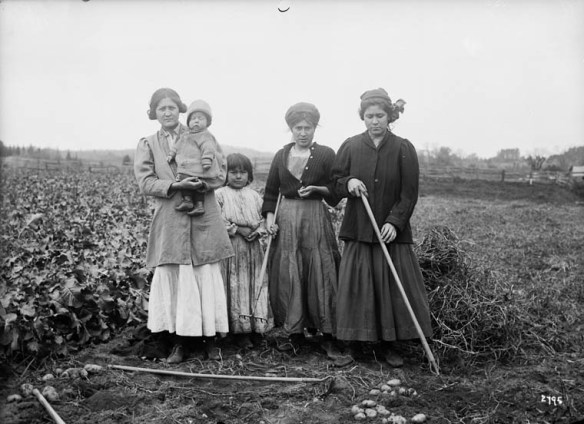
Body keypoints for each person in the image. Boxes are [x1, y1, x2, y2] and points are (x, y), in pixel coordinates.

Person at [331, 87, 432, 367]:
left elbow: (409, 193)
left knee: (393, 288)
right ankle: (354, 344)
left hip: (390, 234)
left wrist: (395, 222)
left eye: (380, 116)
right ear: (362, 117)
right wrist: (348, 182)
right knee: (356, 287)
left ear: (389, 117)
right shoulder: (351, 145)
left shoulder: (403, 148)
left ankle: (392, 345)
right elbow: (335, 183)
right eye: (369, 116)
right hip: (359, 229)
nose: (374, 121)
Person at [134, 88, 234, 363]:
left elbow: (221, 173)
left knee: (203, 273)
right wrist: (176, 185)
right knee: (177, 276)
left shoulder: (200, 134)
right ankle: (178, 341)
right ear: (154, 113)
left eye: (171, 107)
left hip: (203, 216)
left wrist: (202, 184)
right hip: (170, 216)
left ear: (180, 110)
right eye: (161, 108)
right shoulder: (148, 143)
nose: (166, 112)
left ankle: (210, 339)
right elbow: (145, 182)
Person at [262, 102, 348, 365]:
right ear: (291, 128)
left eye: (307, 127)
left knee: (320, 271)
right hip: (287, 219)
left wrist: (318, 190)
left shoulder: (325, 154)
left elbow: (336, 191)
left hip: (314, 218)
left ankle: (328, 334)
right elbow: (270, 192)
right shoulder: (281, 154)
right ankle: (294, 332)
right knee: (291, 272)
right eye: (298, 128)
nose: (302, 132)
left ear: (315, 127)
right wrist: (269, 219)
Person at [216, 153, 274, 348]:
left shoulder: (254, 196)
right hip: (230, 249)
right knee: (233, 285)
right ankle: (234, 331)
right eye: (233, 172)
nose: (238, 176)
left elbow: (263, 219)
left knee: (252, 284)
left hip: (252, 249)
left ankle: (253, 328)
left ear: (249, 175)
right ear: (225, 173)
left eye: (243, 172)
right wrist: (238, 229)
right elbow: (217, 220)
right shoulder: (220, 194)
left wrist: (258, 231)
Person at [167, 99, 223, 216]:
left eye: (200, 118)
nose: (196, 121)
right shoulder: (185, 135)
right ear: (188, 122)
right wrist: (171, 154)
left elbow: (208, 148)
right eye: (193, 119)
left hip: (199, 168)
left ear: (207, 122)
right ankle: (187, 200)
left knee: (198, 185)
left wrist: (207, 160)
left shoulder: (205, 136)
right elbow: (176, 146)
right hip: (186, 167)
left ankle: (199, 205)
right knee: (184, 179)